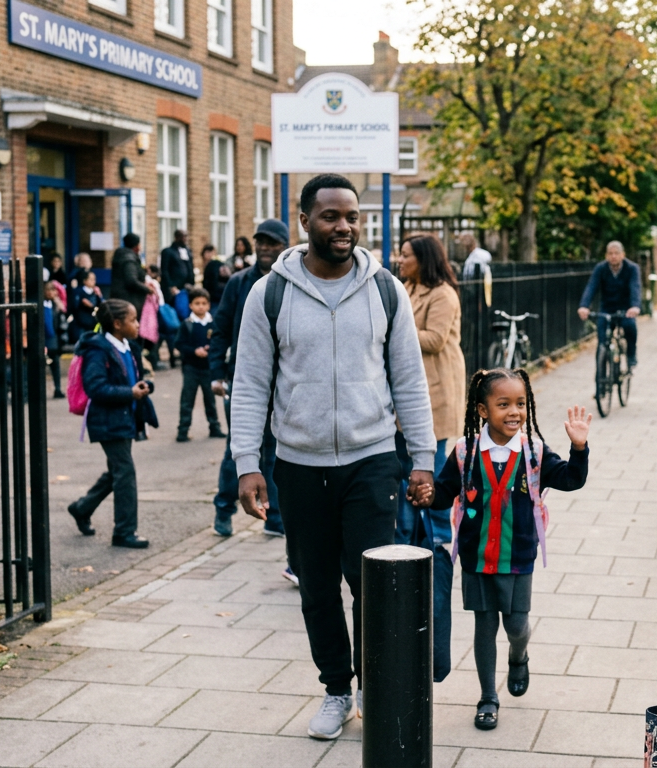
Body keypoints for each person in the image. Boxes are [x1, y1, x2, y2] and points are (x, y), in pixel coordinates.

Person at [229, 173, 437, 740]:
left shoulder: (384, 289)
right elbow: (249, 383)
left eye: (351, 216)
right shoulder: (268, 293)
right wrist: (247, 461)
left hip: (372, 459)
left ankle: (374, 684)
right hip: (298, 464)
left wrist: (421, 457)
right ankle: (336, 689)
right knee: (318, 586)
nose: (343, 226)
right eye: (330, 216)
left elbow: (409, 380)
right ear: (305, 221)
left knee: (370, 579)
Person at [415, 368, 590, 731]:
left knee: (516, 625)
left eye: (521, 403)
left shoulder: (535, 453)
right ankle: (487, 697)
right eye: (504, 404)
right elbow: (443, 494)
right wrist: (427, 494)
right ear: (482, 410)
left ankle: (519, 654)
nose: (515, 412)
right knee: (484, 625)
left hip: (517, 556)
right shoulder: (465, 452)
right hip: (476, 556)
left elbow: (571, 480)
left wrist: (578, 448)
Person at [209, 219, 289, 540]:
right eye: (261, 242)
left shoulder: (289, 284)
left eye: (273, 243)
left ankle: (274, 517)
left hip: (281, 385)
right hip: (242, 381)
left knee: (278, 453)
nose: (266, 248)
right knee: (239, 450)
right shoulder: (240, 283)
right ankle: (224, 509)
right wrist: (216, 372)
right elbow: (221, 329)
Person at [67, 299, 157, 549]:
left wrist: (145, 386)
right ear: (117, 324)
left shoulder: (128, 347)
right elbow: (95, 387)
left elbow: (137, 377)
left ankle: (81, 508)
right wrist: (129, 393)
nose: (138, 324)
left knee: (117, 471)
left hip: (126, 418)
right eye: (133, 320)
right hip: (108, 420)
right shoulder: (98, 350)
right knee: (125, 472)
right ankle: (124, 532)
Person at [394, 234, 466, 545]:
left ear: (423, 259)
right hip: (408, 390)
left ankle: (437, 536)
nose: (400, 259)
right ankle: (409, 535)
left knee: (431, 466)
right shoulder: (406, 288)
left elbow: (435, 339)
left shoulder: (443, 294)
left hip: (435, 389)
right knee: (405, 467)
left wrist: (396, 330)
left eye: (406, 255)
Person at [576, 241, 642, 367]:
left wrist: (635, 306)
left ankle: (631, 355)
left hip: (626, 308)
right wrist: (584, 305)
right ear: (606, 255)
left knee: (630, 328)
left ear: (623, 255)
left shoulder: (632, 268)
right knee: (602, 340)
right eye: (610, 253)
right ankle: (600, 379)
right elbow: (591, 286)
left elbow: (635, 287)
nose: (613, 256)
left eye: (616, 253)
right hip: (607, 308)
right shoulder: (601, 268)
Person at [175, 287, 225, 442]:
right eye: (197, 303)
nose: (201, 306)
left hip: (208, 369)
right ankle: (183, 430)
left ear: (209, 305)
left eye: (204, 303)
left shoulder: (213, 323)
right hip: (191, 368)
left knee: (210, 400)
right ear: (190, 305)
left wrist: (211, 350)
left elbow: (218, 342)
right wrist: (194, 351)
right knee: (187, 400)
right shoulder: (187, 324)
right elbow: (179, 344)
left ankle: (214, 428)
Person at [110, 234, 151, 318]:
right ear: (136, 246)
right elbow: (131, 281)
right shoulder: (129, 260)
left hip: (120, 298)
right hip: (129, 300)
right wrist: (148, 289)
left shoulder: (122, 256)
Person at [44, 282, 69, 399]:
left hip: (54, 338)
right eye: (48, 290)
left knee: (55, 364)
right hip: (45, 338)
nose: (51, 293)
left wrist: (57, 300)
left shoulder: (53, 304)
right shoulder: (43, 304)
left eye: (53, 290)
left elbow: (63, 309)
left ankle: (57, 388)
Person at [159, 229, 195, 301]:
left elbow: (190, 267)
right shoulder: (168, 251)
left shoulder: (187, 251)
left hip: (186, 287)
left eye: (186, 236)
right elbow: (164, 270)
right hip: (173, 288)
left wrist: (191, 283)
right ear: (176, 237)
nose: (185, 239)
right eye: (182, 237)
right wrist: (170, 286)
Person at [70, 271, 102, 343]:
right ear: (85, 281)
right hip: (81, 323)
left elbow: (101, 306)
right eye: (91, 279)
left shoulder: (96, 292)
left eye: (94, 279)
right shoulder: (79, 292)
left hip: (92, 323)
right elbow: (74, 306)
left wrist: (99, 296)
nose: (93, 281)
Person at [204, 242, 233, 306]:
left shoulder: (214, 264)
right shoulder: (214, 263)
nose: (208, 255)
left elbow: (212, 281)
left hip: (216, 296)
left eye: (210, 252)